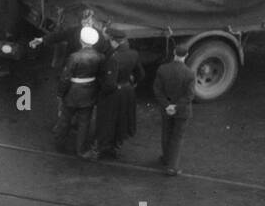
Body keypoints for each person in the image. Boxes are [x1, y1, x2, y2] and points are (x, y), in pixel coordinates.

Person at [86, 27, 144, 161]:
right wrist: (131, 83)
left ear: (115, 41)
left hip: (113, 94)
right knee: (121, 121)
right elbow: (140, 74)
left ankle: (98, 150)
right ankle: (115, 147)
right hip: (127, 92)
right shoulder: (134, 54)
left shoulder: (113, 58)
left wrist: (100, 92)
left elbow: (109, 83)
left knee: (105, 122)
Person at [55, 26, 103, 157]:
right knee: (84, 122)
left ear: (81, 40)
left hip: (72, 93)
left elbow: (65, 77)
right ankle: (80, 150)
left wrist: (60, 93)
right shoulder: (100, 57)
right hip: (89, 93)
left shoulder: (74, 57)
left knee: (65, 119)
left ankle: (59, 144)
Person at [153, 43, 197, 176]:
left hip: (166, 109)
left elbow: (157, 90)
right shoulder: (189, 74)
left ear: (174, 53)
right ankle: (172, 166)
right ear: (187, 55)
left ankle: (166, 158)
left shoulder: (163, 69)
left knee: (166, 133)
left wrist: (167, 105)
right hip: (182, 111)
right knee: (177, 137)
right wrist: (176, 106)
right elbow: (189, 95)